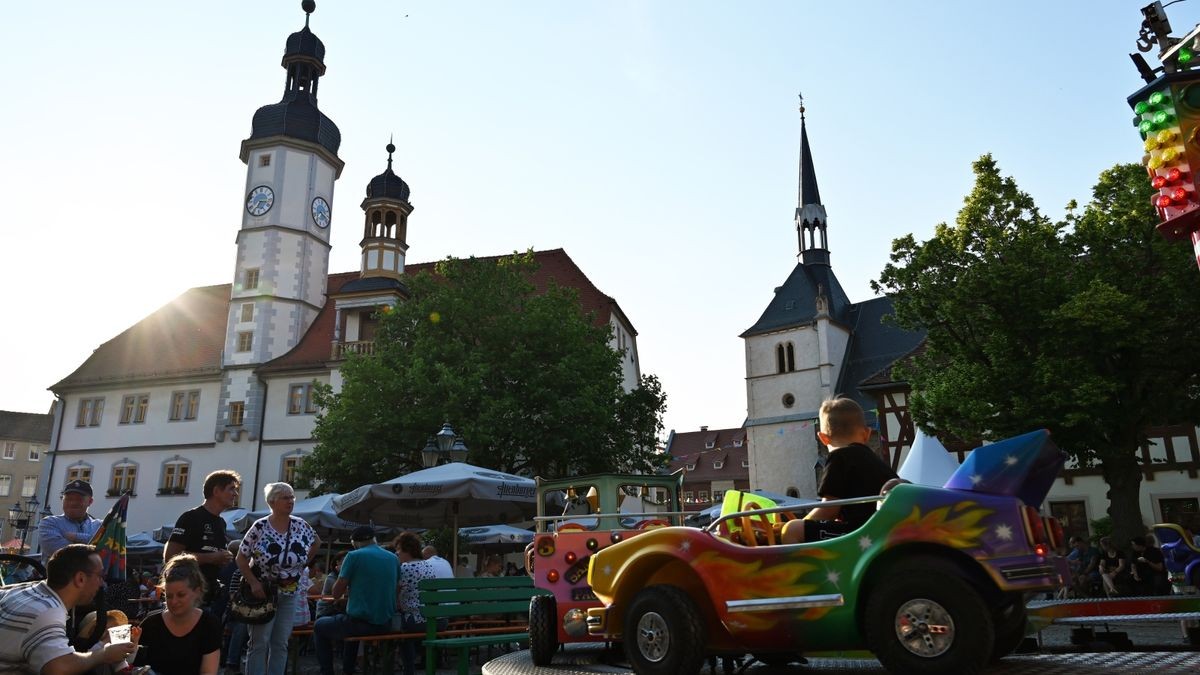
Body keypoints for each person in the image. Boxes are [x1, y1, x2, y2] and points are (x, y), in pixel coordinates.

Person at [0, 543, 137, 673]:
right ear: (80, 579)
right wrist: (104, 654)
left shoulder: (22, 590)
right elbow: (58, 668)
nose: (102, 583)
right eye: (100, 576)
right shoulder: (47, 611)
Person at [781, 397, 897, 544]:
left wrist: (802, 522)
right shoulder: (874, 460)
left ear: (823, 438)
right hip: (883, 531)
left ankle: (802, 567)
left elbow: (828, 510)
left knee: (792, 529)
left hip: (861, 533)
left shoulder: (839, 457)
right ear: (867, 434)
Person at [236, 482, 320, 675]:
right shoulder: (260, 526)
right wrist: (254, 582)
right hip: (263, 592)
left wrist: (302, 564)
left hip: (289, 592)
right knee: (258, 643)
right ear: (272, 502)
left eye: (292, 497)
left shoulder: (300, 525)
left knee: (281, 643)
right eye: (285, 497)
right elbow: (241, 558)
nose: (290, 501)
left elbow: (316, 542)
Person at [313, 526, 401, 675]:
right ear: (374, 539)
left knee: (319, 625)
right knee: (348, 622)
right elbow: (397, 587)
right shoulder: (393, 558)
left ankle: (327, 672)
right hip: (387, 622)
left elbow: (335, 593)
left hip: (362, 623)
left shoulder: (354, 556)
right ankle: (348, 669)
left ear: (355, 542)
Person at [133, 553, 222, 675]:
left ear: (197, 591)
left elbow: (208, 672)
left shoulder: (209, 624)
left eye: (181, 595)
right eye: (169, 596)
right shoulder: (151, 624)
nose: (174, 601)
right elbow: (136, 667)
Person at [164, 470, 241, 608]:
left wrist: (223, 560)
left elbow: (212, 554)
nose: (236, 494)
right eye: (231, 489)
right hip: (189, 596)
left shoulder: (221, 523)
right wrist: (212, 558)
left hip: (210, 593)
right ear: (216, 491)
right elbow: (171, 557)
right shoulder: (191, 517)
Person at [395, 532, 438, 675]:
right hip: (435, 619)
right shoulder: (430, 566)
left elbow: (393, 595)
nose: (396, 553)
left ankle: (407, 670)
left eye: (399, 549)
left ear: (407, 550)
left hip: (417, 621)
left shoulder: (404, 568)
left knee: (399, 629)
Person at [37, 480, 102, 563]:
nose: (73, 503)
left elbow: (107, 550)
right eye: (68, 499)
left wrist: (76, 537)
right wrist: (94, 543)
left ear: (90, 502)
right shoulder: (49, 523)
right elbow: (61, 553)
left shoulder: (100, 525)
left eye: (79, 499)